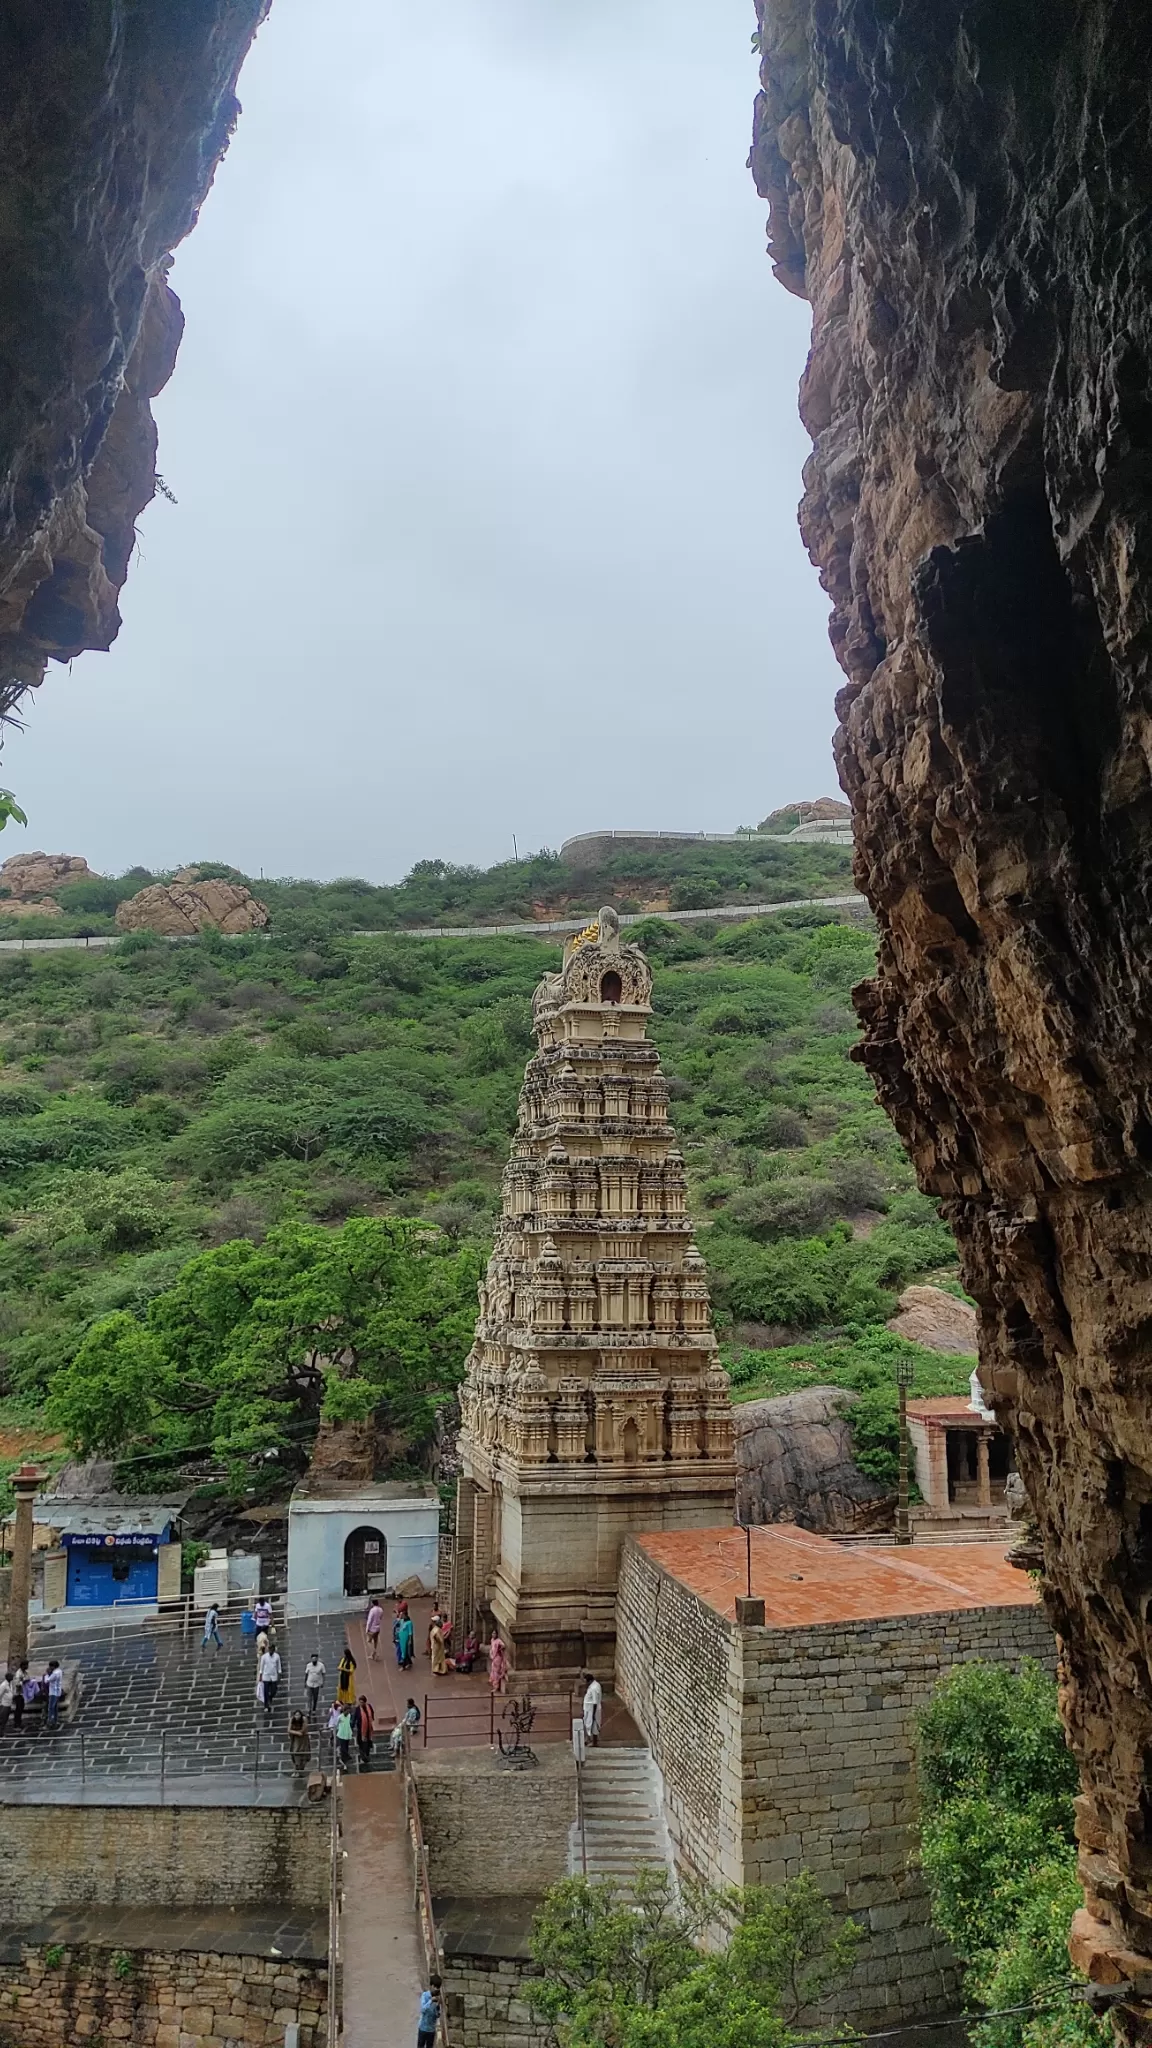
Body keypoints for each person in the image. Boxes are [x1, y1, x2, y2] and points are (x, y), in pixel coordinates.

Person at [417, 1974, 442, 2048]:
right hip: (423, 2028)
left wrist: (438, 2006)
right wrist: (430, 2001)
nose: (436, 1989)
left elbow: (437, 2015)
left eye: (438, 1987)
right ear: (431, 1986)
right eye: (435, 1987)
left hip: (431, 2030)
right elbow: (423, 2010)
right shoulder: (424, 1995)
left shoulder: (438, 1998)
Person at [351, 1693, 375, 1770]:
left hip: (368, 1728)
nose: (361, 1703)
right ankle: (363, 1755)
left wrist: (371, 1720)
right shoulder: (358, 1709)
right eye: (360, 1702)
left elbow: (372, 1713)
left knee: (368, 1742)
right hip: (361, 1730)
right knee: (361, 1743)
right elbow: (354, 1719)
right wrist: (351, 1727)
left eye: (362, 1702)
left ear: (365, 1702)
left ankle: (366, 1754)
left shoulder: (369, 1707)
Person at [259, 1644, 282, 1724]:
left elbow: (279, 1666)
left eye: (272, 1650)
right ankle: (266, 1705)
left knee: (274, 1690)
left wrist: (279, 1674)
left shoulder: (277, 1656)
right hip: (266, 1675)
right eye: (270, 1650)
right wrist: (260, 1675)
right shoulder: (264, 1657)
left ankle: (270, 1697)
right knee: (265, 1691)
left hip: (274, 1675)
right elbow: (261, 1666)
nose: (271, 1651)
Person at [304, 1652, 326, 1722]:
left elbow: (323, 1674)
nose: (314, 1661)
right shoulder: (308, 1665)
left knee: (315, 1697)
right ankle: (309, 1710)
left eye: (315, 1659)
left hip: (317, 1684)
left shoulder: (321, 1665)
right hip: (309, 1683)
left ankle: (314, 1708)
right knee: (309, 1698)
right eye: (313, 1659)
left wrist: (322, 1682)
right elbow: (306, 1674)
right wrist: (305, 1682)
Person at [582, 1672, 603, 1747]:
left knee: (593, 1726)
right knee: (587, 1724)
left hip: (592, 1710)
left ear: (589, 1681)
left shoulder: (594, 1688)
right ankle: (588, 1740)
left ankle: (594, 1743)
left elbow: (595, 1702)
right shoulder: (594, 1685)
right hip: (588, 1709)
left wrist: (593, 1714)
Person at [288, 1709, 311, 1774]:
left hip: (303, 1739)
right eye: (296, 1715)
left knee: (303, 1753)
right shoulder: (292, 1719)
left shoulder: (304, 1719)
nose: (297, 1716)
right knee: (295, 1752)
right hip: (295, 1738)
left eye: (298, 1715)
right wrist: (296, 1733)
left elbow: (304, 1728)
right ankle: (296, 1769)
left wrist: (300, 1732)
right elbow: (289, 1729)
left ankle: (300, 1769)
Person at [488, 1632, 508, 1697]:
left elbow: (503, 1645)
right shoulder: (492, 1640)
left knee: (496, 1672)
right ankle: (494, 1684)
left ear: (497, 1634)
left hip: (498, 1657)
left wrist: (500, 1649)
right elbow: (491, 1648)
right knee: (493, 1670)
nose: (493, 1634)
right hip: (493, 1657)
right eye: (492, 1633)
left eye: (494, 1633)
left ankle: (496, 1686)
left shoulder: (498, 1641)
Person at [335, 1705, 354, 1772]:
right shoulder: (340, 1717)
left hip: (347, 1734)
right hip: (341, 1735)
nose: (348, 1712)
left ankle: (345, 1760)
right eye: (347, 1710)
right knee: (343, 1748)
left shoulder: (349, 1716)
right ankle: (346, 1757)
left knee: (346, 1747)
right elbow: (336, 1725)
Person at [45, 1660, 63, 1730]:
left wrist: (47, 1674)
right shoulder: (59, 1671)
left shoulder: (55, 1673)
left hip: (53, 1692)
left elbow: (47, 1680)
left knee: (51, 1708)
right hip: (57, 1692)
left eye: (50, 1666)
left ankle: (50, 1722)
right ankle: (55, 1721)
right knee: (55, 1708)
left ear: (53, 1666)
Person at [11, 1661, 28, 1731]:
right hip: (18, 1694)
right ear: (22, 1666)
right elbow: (17, 1684)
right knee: (18, 1709)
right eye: (26, 1665)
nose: (27, 1666)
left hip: (22, 1693)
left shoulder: (24, 1672)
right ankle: (16, 1724)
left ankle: (19, 1722)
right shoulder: (18, 1673)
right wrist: (23, 1681)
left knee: (21, 1708)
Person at [0, 1669, 11, 1736]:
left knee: (5, 1719)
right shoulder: (3, 1685)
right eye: (11, 1676)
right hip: (4, 1705)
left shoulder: (10, 1684)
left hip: (8, 1704)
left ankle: (2, 1732)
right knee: (2, 1719)